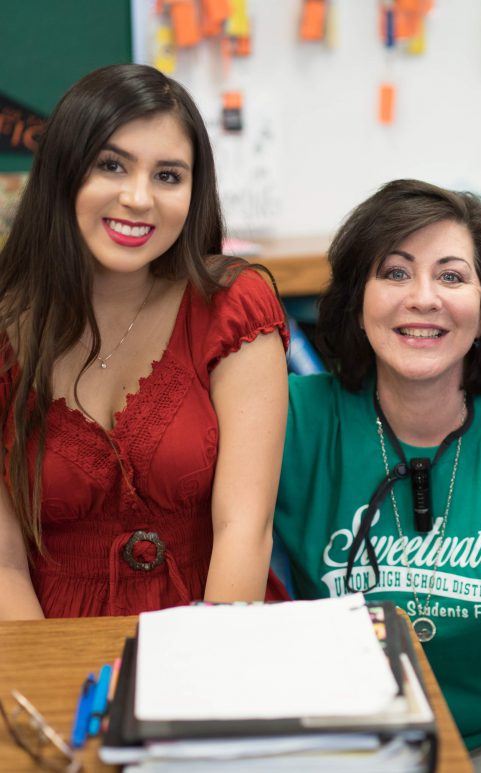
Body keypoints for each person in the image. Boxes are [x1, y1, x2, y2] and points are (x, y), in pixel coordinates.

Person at [273, 179, 481, 754]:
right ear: (358, 300)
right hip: (350, 742)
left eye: (452, 276)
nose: (422, 298)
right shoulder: (289, 420)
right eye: (395, 273)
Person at [0, 64, 289, 619]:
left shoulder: (233, 306)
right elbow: (6, 565)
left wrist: (203, 678)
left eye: (168, 175)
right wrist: (49, 687)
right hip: (48, 635)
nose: (139, 198)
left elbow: (245, 530)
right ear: (63, 172)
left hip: (218, 624)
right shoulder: (6, 330)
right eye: (112, 165)